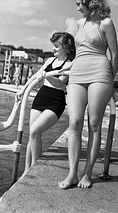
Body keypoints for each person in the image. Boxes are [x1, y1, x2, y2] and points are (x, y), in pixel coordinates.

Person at [58, 0, 118, 189]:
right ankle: (72, 173)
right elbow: (73, 50)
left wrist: (110, 81)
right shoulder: (78, 23)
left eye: (79, 4)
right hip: (77, 72)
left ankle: (87, 173)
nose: (77, 9)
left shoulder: (106, 23)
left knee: (94, 124)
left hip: (100, 72)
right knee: (74, 122)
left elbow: (114, 55)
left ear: (89, 1)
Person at [17, 32, 76, 177]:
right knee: (32, 134)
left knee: (35, 131)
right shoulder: (49, 60)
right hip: (41, 97)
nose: (53, 49)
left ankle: (34, 168)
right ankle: (26, 170)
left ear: (66, 48)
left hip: (56, 101)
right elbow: (35, 75)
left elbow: (60, 82)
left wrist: (48, 76)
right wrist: (23, 90)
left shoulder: (69, 65)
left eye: (56, 46)